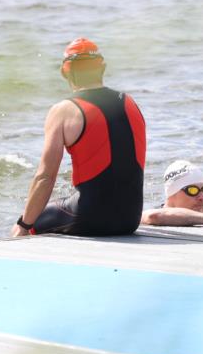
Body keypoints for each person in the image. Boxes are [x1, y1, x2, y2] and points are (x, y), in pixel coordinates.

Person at [10, 38, 146, 237]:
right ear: (103, 68)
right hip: (130, 220)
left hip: (89, 219)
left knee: (30, 220)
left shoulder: (63, 110)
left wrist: (24, 224)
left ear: (64, 71)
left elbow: (45, 178)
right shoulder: (130, 103)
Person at [140, 161, 203, 227]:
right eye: (193, 190)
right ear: (172, 193)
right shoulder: (153, 214)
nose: (202, 197)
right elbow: (153, 216)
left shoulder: (201, 209)